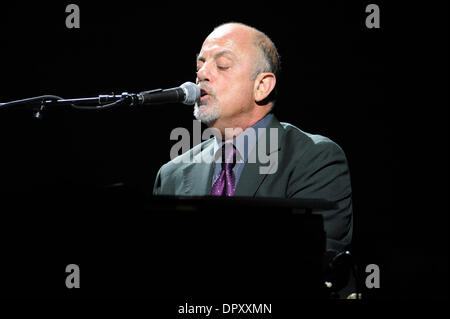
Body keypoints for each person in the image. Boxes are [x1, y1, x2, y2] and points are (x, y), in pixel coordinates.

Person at [153, 22, 352, 252]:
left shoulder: (315, 159)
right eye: (200, 65)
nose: (202, 74)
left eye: (222, 65)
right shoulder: (171, 174)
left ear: (262, 86)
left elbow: (309, 262)